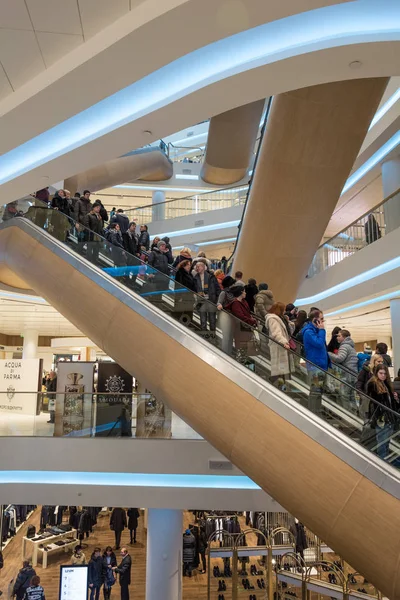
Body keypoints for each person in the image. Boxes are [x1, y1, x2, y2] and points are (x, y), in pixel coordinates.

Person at [367, 364, 399, 460]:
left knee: (386, 443)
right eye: (381, 373)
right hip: (381, 419)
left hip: (390, 418)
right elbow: (373, 402)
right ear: (376, 373)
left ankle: (385, 462)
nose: (383, 375)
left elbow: (392, 404)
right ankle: (382, 463)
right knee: (381, 443)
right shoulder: (373, 384)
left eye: (385, 374)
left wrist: (396, 399)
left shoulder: (387, 385)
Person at [302, 309, 329, 414]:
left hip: (321, 365)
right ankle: (313, 412)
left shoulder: (316, 331)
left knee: (319, 391)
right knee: (315, 391)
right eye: (321, 319)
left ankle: (316, 411)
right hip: (315, 366)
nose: (323, 321)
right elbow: (319, 343)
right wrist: (322, 330)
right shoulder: (308, 332)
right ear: (315, 320)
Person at [328, 329, 358, 412]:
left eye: (339, 336)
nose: (337, 337)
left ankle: (347, 415)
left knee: (344, 395)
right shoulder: (351, 346)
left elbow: (340, 358)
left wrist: (328, 354)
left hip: (347, 375)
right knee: (352, 397)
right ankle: (354, 415)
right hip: (353, 374)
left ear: (344, 337)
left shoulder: (344, 346)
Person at [266, 302, 294, 388]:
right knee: (279, 370)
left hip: (281, 346)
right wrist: (284, 342)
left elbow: (289, 332)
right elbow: (276, 333)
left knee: (282, 370)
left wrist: (288, 322)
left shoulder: (279, 318)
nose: (284, 311)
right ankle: (278, 387)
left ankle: (281, 387)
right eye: (283, 310)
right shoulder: (272, 319)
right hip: (278, 346)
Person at [226, 285, 257, 364]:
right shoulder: (236, 304)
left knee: (245, 348)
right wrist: (252, 321)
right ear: (240, 293)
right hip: (240, 329)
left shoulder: (244, 301)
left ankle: (242, 363)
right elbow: (241, 317)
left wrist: (251, 318)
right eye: (244, 291)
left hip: (246, 329)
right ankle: (239, 364)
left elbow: (247, 314)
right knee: (241, 348)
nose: (245, 293)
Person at [356, 354, 384, 420]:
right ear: (373, 361)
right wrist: (363, 395)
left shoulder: (381, 372)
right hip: (367, 398)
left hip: (378, 398)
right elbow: (359, 383)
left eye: (382, 362)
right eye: (378, 361)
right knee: (367, 418)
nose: (380, 363)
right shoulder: (366, 370)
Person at [193, 260, 219, 332]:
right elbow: (194, 289)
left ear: (203, 267)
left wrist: (217, 300)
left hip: (211, 300)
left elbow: (217, 289)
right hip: (201, 301)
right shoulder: (195, 278)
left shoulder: (211, 277)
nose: (197, 268)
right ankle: (204, 336)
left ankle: (212, 335)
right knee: (203, 320)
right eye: (196, 267)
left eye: (198, 267)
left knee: (212, 320)